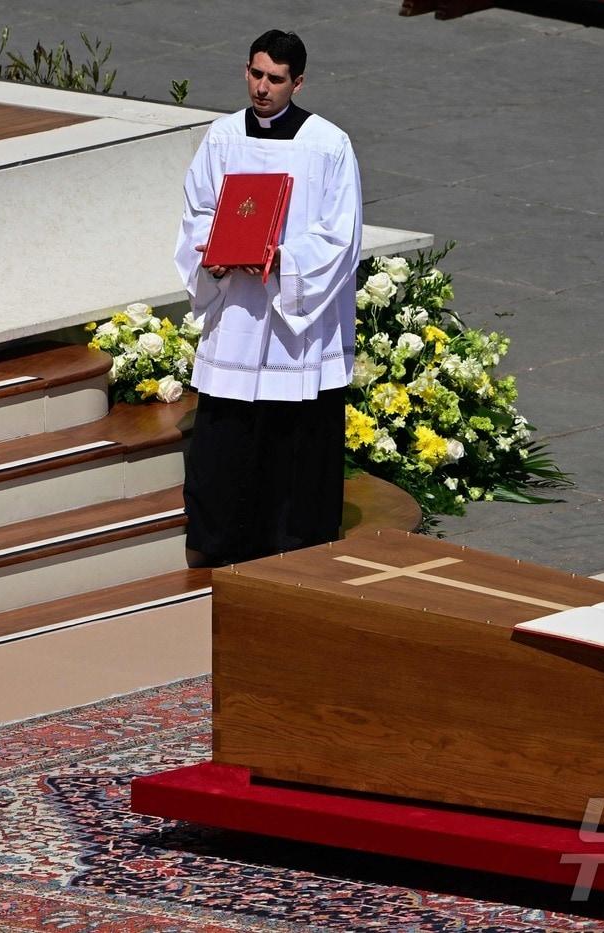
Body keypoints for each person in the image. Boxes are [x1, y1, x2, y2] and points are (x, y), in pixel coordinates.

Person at [174, 29, 363, 566]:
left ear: (297, 82)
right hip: (237, 309)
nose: (262, 88)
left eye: (275, 79)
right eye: (255, 74)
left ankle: (294, 543)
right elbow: (198, 212)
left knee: (291, 440)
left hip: (290, 325)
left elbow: (339, 235)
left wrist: (280, 258)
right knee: (229, 439)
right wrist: (211, 251)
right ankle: (219, 541)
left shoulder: (327, 144)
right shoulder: (223, 138)